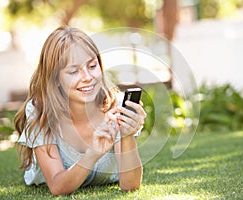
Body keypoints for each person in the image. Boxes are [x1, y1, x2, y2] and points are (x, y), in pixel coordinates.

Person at [14, 26, 147, 196]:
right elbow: (58, 186)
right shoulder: (41, 110)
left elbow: (130, 185)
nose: (87, 77)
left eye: (92, 66)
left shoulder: (117, 106)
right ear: (55, 79)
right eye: (73, 71)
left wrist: (127, 134)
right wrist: (92, 155)